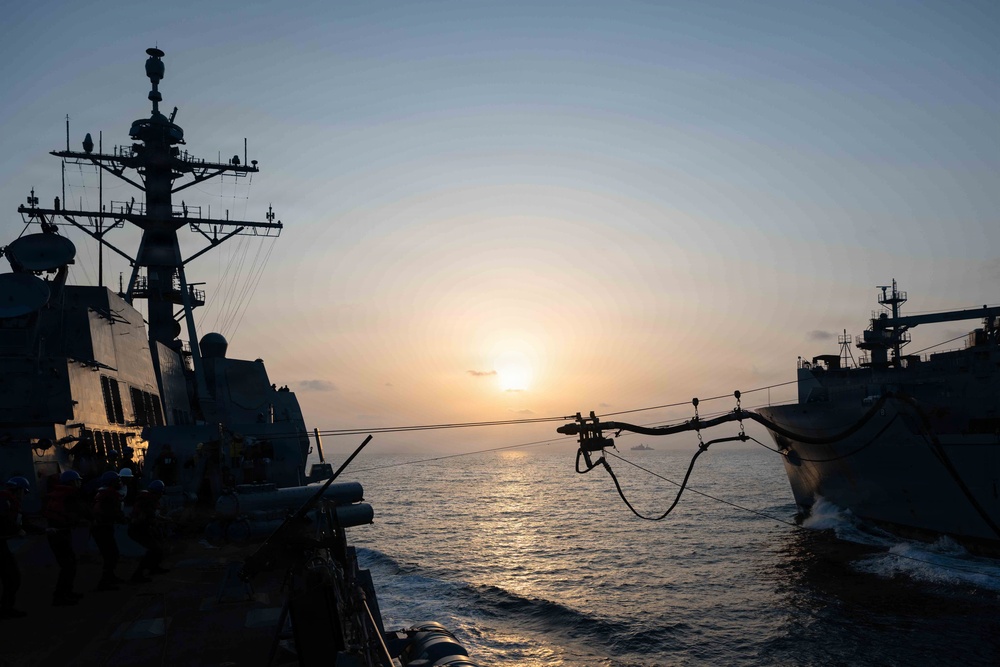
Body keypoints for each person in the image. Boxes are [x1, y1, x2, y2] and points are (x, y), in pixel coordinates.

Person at [43, 470, 88, 606]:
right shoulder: (69, 496)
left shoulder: (59, 495)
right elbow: (79, 511)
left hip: (58, 532)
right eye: (77, 481)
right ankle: (60, 596)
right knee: (68, 566)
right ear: (72, 482)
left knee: (69, 563)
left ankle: (67, 592)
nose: (79, 483)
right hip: (60, 534)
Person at [127, 480, 169, 583]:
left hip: (141, 528)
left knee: (159, 546)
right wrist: (157, 523)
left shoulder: (148, 499)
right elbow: (146, 517)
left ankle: (153, 567)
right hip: (138, 529)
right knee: (154, 549)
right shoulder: (147, 501)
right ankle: (137, 575)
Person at [1, 477, 30, 619]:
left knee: (10, 577)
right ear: (18, 490)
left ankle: (6, 607)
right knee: (12, 577)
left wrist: (46, 529)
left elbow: (25, 524)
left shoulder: (10, 502)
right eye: (24, 491)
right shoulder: (4, 501)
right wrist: (17, 530)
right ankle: (6, 609)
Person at [91, 471, 126, 591]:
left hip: (101, 528)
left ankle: (110, 577)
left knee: (111, 554)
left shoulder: (102, 493)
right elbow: (114, 512)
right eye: (117, 481)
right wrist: (124, 519)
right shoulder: (110, 495)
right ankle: (104, 582)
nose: (119, 483)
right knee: (111, 555)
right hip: (102, 528)